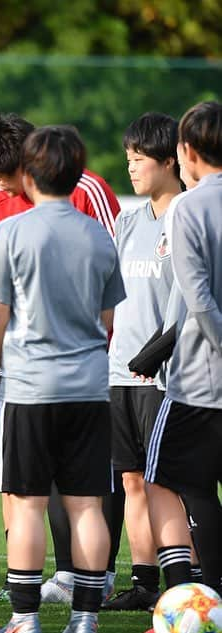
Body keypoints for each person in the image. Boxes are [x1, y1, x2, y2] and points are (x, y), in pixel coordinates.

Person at [0, 125, 126, 633]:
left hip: (29, 387)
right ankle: (85, 619)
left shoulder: (13, 231)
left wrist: (13, 360)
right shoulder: (97, 235)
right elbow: (109, 317)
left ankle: (25, 618)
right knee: (86, 503)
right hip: (88, 385)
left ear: (30, 171)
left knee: (28, 504)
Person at [101, 113, 180, 613]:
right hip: (117, 372)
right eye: (128, 158)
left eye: (140, 159)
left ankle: (183, 579)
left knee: (163, 484)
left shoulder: (190, 219)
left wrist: (158, 357)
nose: (131, 167)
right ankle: (144, 580)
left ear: (171, 160)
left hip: (165, 375)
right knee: (130, 480)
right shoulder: (127, 222)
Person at [146, 101, 222, 600]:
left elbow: (198, 299)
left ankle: (199, 595)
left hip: (200, 380)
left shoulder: (187, 208)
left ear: (187, 151)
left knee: (165, 479)